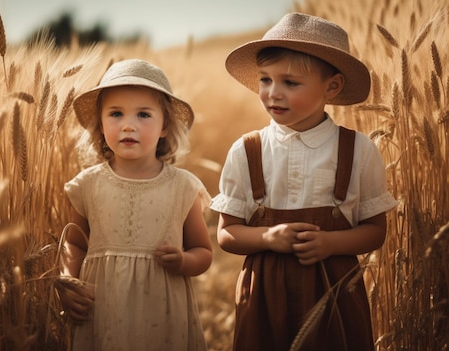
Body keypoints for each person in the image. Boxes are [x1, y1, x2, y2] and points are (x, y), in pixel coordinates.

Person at [209, 12, 399, 351]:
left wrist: (330, 244)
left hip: (335, 290)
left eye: (290, 83)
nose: (272, 93)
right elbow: (226, 233)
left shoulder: (358, 149)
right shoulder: (247, 149)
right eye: (265, 80)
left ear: (332, 86)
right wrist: (268, 237)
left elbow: (376, 230)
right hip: (263, 293)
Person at [58, 58, 212, 351]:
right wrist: (68, 280)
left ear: (165, 126)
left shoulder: (182, 186)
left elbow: (203, 252)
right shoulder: (86, 184)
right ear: (101, 125)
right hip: (102, 310)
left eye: (143, 114)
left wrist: (183, 261)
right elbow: (74, 244)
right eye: (116, 114)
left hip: (163, 313)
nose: (128, 125)